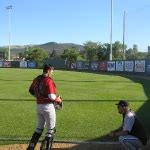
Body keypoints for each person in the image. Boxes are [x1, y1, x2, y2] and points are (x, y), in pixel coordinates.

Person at [27, 64, 62, 150]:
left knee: (38, 128)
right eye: (52, 70)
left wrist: (38, 97)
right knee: (51, 130)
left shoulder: (36, 79)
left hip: (39, 106)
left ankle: (30, 148)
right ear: (49, 70)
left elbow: (31, 90)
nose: (53, 72)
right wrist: (58, 99)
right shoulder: (48, 80)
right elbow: (51, 96)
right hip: (48, 107)